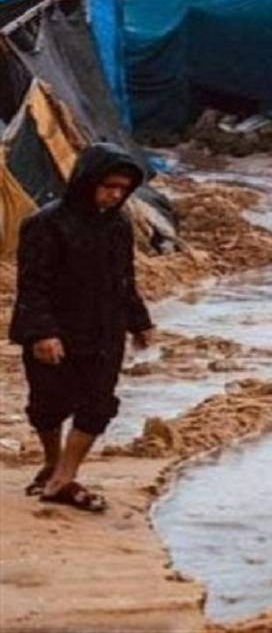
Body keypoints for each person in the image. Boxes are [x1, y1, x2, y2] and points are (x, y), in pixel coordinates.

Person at [8, 143, 154, 512]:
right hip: (57, 328)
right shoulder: (46, 224)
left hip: (105, 329)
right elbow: (32, 285)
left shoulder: (119, 225)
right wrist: (42, 332)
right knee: (48, 403)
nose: (115, 195)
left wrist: (139, 321)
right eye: (108, 186)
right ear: (87, 181)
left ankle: (64, 476)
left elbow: (125, 278)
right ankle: (52, 463)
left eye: (123, 189)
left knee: (98, 403)